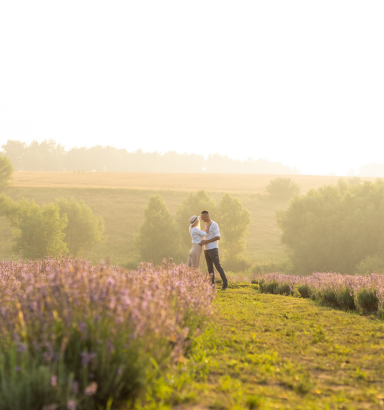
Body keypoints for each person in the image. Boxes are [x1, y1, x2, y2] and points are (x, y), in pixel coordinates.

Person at [199, 210, 228, 290]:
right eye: (201, 217)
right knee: (209, 268)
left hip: (213, 249)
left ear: (207, 216)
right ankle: (212, 286)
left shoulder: (214, 225)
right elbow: (205, 236)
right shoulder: (205, 225)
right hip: (206, 249)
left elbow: (218, 237)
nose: (202, 219)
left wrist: (206, 241)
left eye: (203, 217)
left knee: (218, 267)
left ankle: (225, 284)